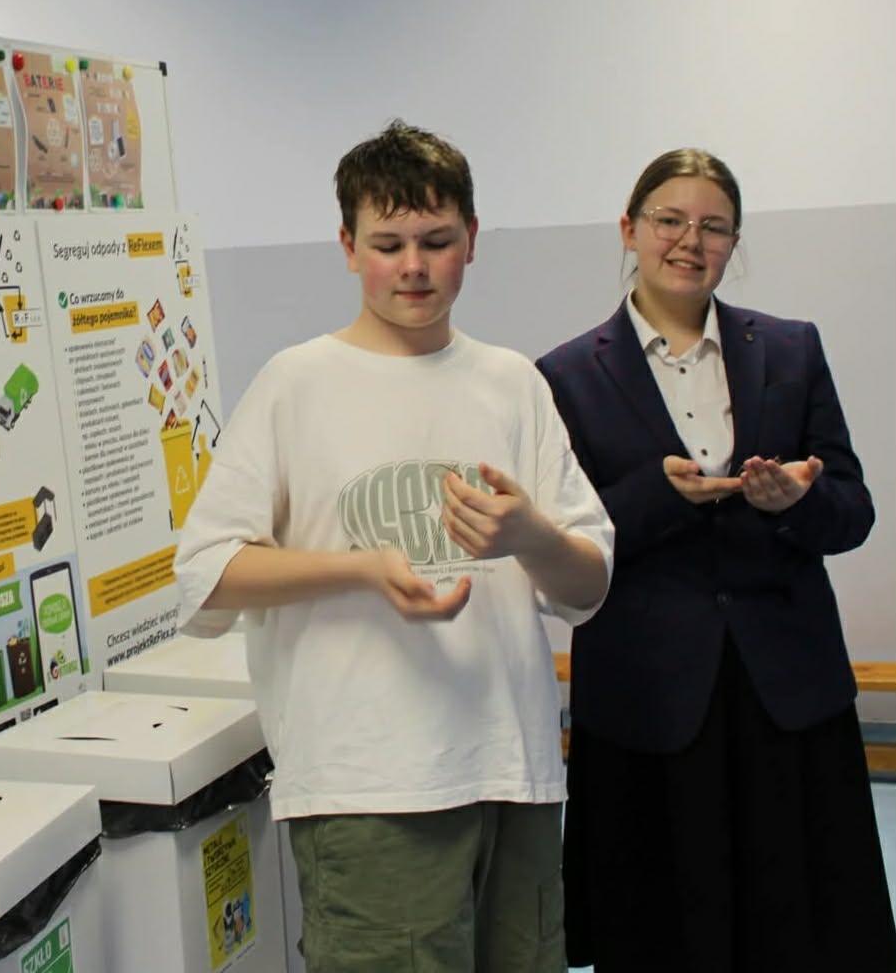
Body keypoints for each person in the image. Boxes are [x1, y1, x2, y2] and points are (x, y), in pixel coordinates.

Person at [174, 120, 613, 972]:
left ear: (471, 240)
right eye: (387, 245)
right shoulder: (296, 384)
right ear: (347, 247)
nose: (413, 266)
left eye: (436, 241)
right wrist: (362, 569)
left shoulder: (512, 383)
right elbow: (205, 574)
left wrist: (529, 535)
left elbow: (588, 584)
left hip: (514, 769)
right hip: (368, 783)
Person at [536, 148, 896, 972]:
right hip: (647, 695)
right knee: (664, 930)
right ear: (628, 229)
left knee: (798, 928)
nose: (688, 241)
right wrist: (659, 496)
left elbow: (852, 512)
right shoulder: (562, 375)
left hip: (785, 688)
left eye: (713, 227)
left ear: (733, 242)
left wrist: (794, 503)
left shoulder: (791, 349)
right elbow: (563, 544)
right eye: (668, 220)